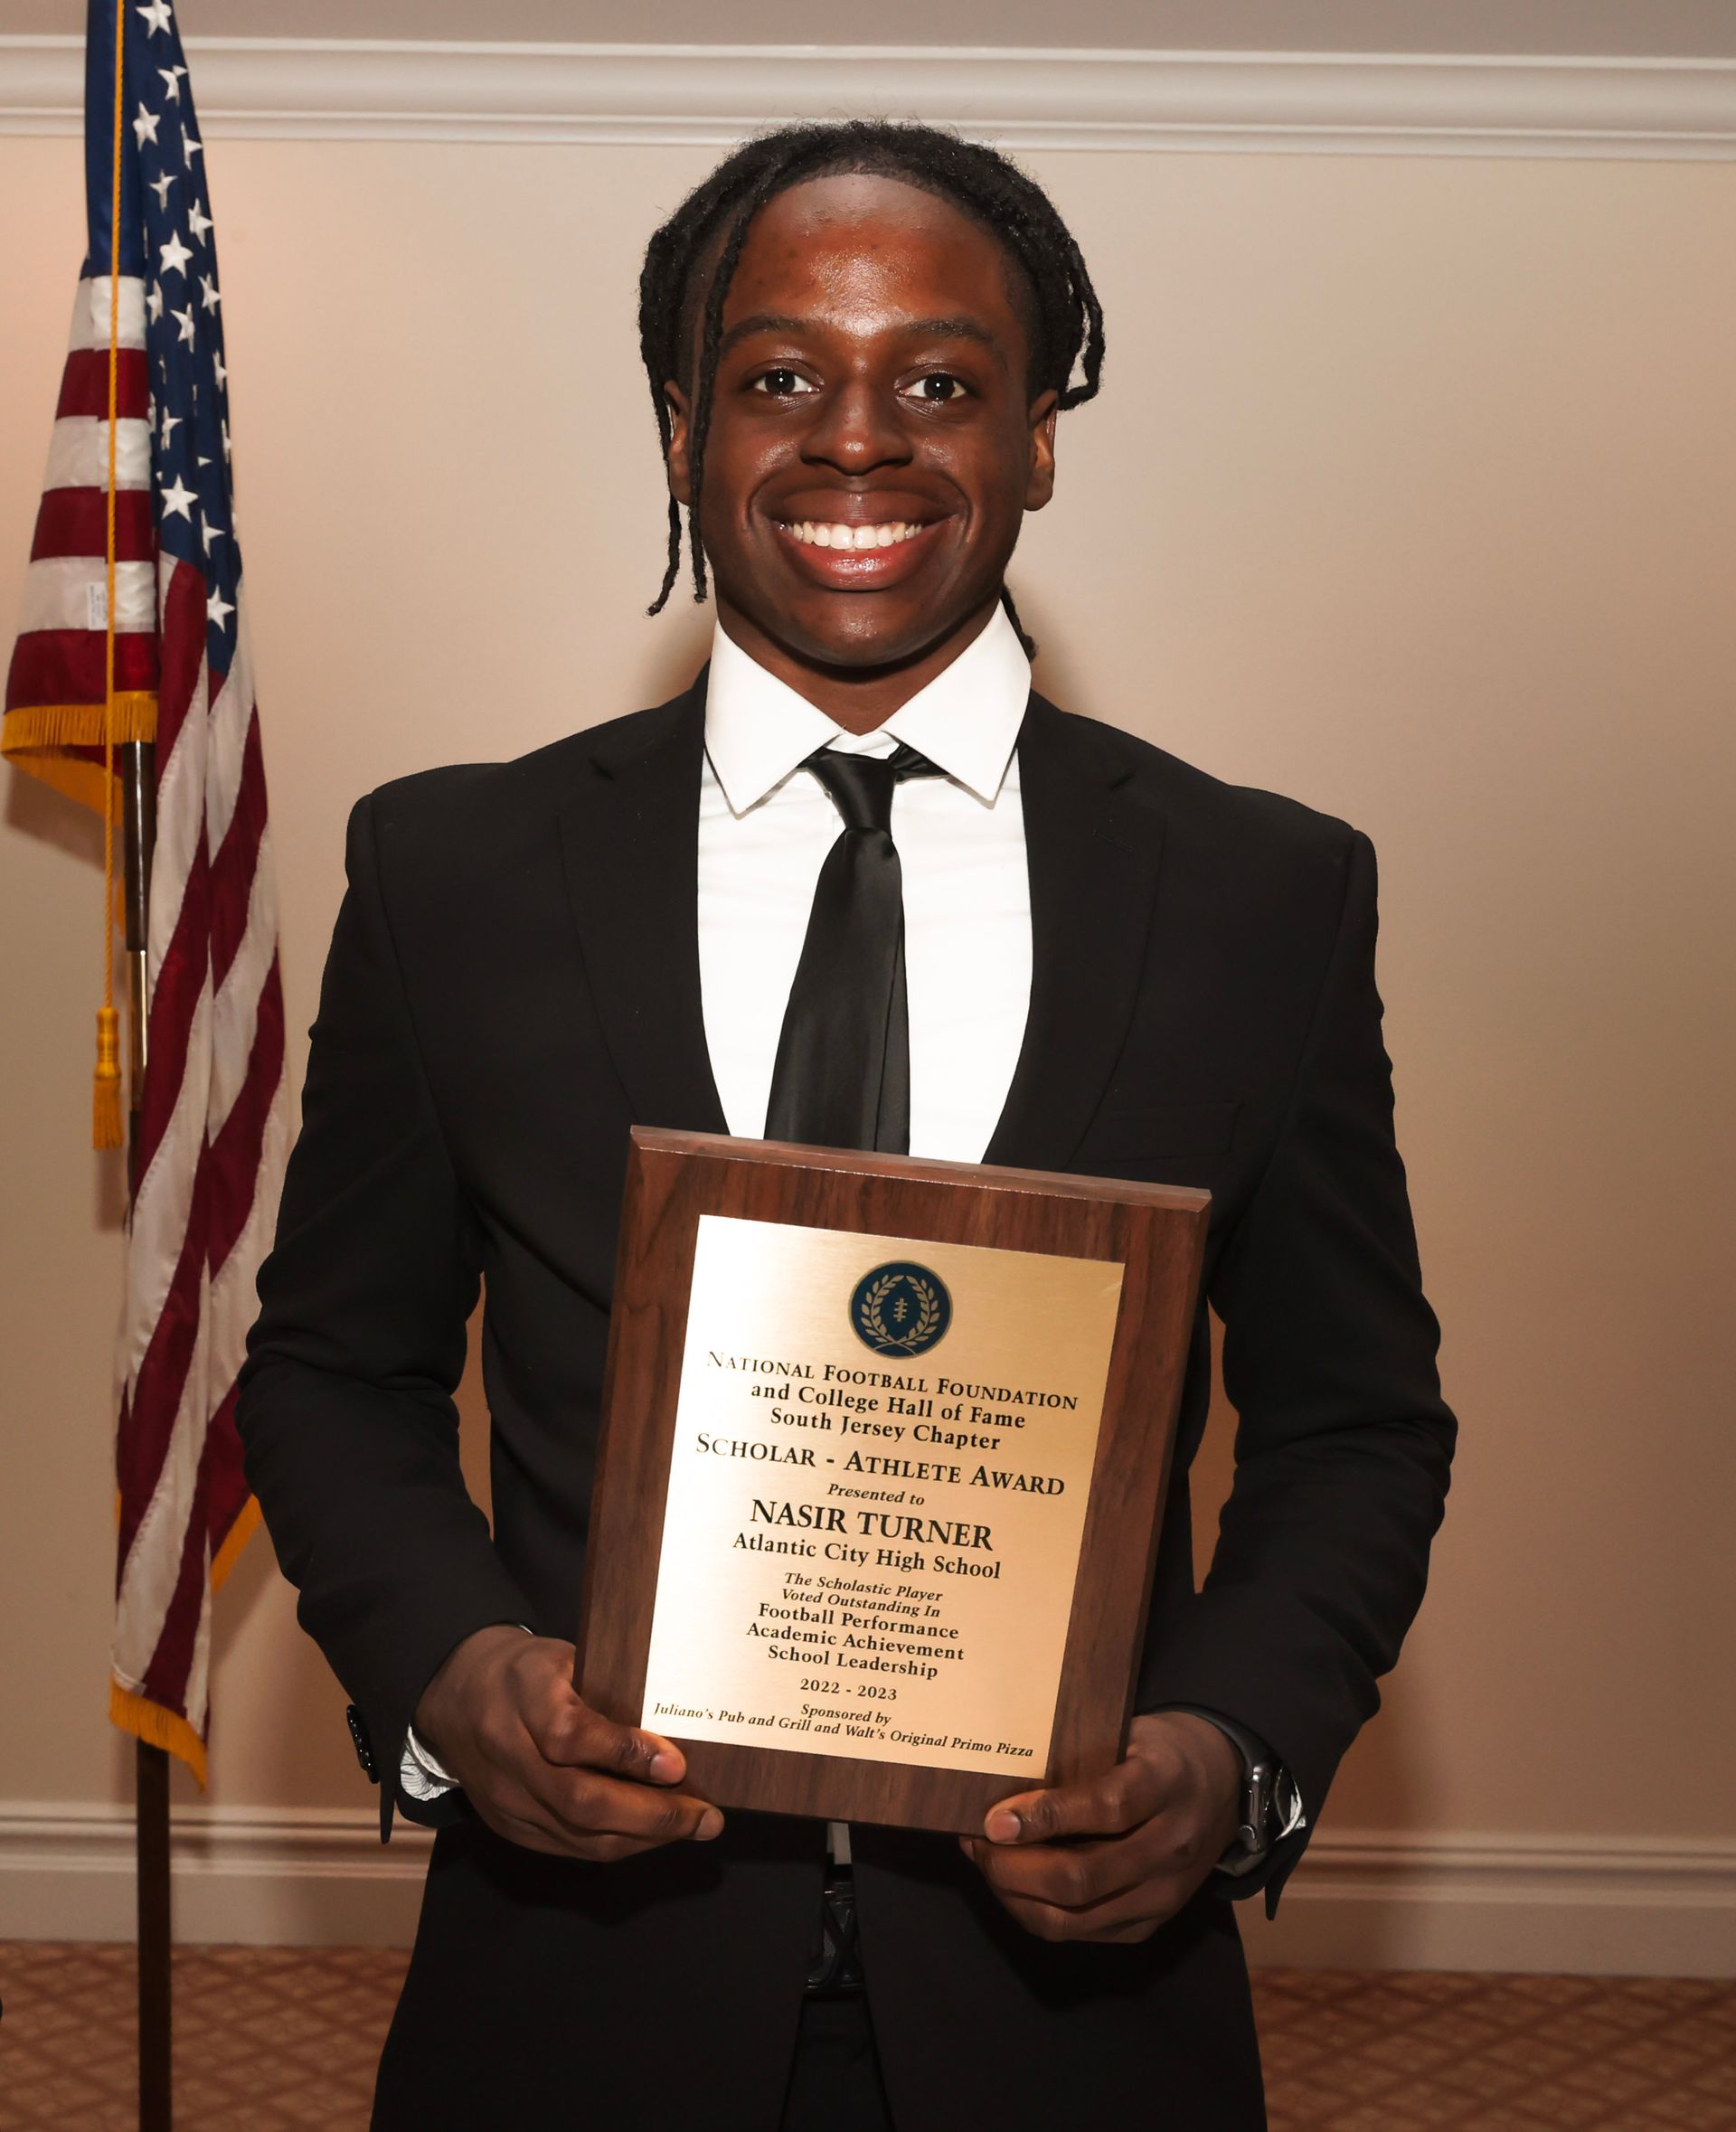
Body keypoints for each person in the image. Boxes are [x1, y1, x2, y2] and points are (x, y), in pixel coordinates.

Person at [239, 120, 1456, 2131]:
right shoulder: (456, 867)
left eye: (945, 381)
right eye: (781, 374)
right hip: (574, 1987)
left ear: (1042, 435)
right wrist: (453, 1682)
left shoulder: (1265, 895)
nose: (860, 439)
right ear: (682, 423)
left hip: (1076, 2018)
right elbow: (330, 1368)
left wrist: (1230, 1751)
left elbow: (1354, 1422)